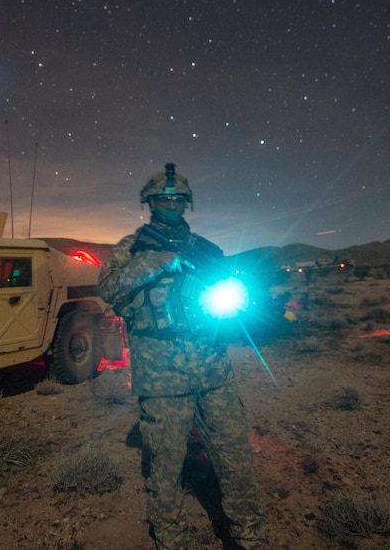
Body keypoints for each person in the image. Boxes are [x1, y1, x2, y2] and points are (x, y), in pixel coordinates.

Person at [98, 163, 268, 549]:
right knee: (165, 469)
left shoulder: (205, 251)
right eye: (162, 198)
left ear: (186, 203)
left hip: (213, 370)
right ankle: (172, 540)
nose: (170, 204)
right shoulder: (132, 247)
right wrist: (153, 262)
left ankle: (250, 536)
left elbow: (230, 294)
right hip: (161, 379)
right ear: (150, 203)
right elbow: (108, 287)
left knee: (235, 458)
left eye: (177, 199)